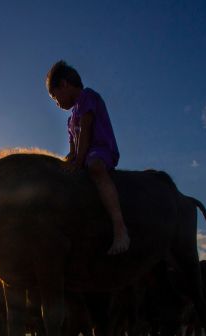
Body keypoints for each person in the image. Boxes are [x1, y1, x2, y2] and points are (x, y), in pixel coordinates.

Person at [46, 60, 130, 255]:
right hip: (84, 155)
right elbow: (73, 149)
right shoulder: (69, 120)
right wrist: (68, 161)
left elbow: (86, 129)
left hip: (100, 150)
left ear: (64, 84)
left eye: (54, 96)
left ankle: (120, 228)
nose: (57, 103)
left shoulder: (87, 97)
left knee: (94, 167)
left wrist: (78, 160)